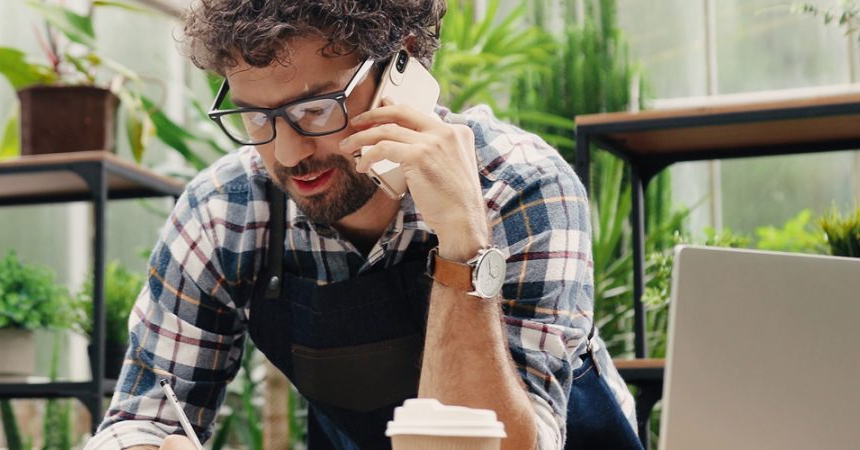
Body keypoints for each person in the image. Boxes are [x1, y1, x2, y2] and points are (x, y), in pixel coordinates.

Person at [85, 1, 641, 449]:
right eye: (258, 117)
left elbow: (509, 446)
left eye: (316, 109)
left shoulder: (519, 188)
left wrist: (464, 245)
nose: (288, 151)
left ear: (403, 63)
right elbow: (141, 418)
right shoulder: (226, 211)